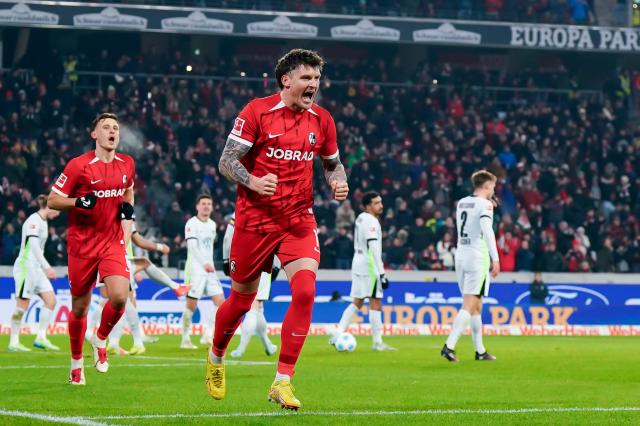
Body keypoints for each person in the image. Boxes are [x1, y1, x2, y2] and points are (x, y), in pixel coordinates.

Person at [206, 48, 349, 410]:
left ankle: (282, 380)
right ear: (286, 80)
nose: (313, 84)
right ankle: (217, 356)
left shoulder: (322, 120)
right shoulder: (257, 111)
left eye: (317, 78)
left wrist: (338, 181)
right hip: (254, 221)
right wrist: (253, 181)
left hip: (298, 220)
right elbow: (226, 161)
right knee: (240, 300)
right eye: (306, 78)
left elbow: (333, 163)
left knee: (305, 291)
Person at [48, 112, 136, 385]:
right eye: (106, 127)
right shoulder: (78, 166)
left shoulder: (127, 164)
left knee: (120, 297)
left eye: (116, 128)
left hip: (111, 242)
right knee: (79, 308)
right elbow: (52, 200)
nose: (112, 132)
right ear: (94, 134)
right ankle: (76, 365)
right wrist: (77, 202)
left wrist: (128, 220)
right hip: (82, 245)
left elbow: (128, 190)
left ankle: (99, 339)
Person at [86, 222, 191, 355]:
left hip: (104, 259)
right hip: (118, 260)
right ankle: (135, 342)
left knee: (111, 300)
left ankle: (111, 342)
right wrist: (159, 246)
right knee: (124, 301)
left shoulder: (101, 213)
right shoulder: (124, 214)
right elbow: (138, 241)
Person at [441, 170, 500, 362]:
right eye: (493, 187)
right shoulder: (485, 205)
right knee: (469, 304)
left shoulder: (462, 202)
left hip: (461, 255)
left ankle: (480, 351)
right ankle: (449, 346)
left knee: (476, 305)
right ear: (487, 186)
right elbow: (487, 231)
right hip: (477, 256)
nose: (494, 190)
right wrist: (495, 258)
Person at [331, 192, 396, 351]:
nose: (380, 205)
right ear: (368, 206)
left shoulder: (360, 218)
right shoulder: (371, 221)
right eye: (376, 203)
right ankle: (377, 343)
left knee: (358, 301)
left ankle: (337, 333)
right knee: (375, 301)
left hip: (358, 263)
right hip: (369, 266)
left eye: (380, 202)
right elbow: (373, 248)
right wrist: (381, 273)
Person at [9, 194, 61, 352]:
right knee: (22, 305)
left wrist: (42, 267)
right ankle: (14, 342)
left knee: (51, 301)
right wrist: (48, 267)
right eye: (58, 210)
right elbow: (33, 247)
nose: (58, 214)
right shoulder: (33, 220)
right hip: (26, 267)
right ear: (51, 206)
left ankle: (41, 338)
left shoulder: (44, 222)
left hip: (37, 269)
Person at [223, 213, 278, 358]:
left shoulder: (239, 211)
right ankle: (241, 349)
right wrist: (277, 265)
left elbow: (228, 238)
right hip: (265, 259)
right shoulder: (274, 210)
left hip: (243, 259)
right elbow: (279, 239)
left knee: (258, 307)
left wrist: (225, 260)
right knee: (255, 306)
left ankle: (267, 345)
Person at [180, 194, 225, 349]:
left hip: (209, 268)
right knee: (191, 305)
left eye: (209, 204)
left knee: (220, 302)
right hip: (195, 269)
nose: (206, 206)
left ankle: (207, 334)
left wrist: (209, 263)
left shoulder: (212, 225)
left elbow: (208, 248)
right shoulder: (191, 223)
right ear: (197, 206)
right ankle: (185, 339)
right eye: (203, 203)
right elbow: (192, 247)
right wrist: (205, 263)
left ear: (212, 207)